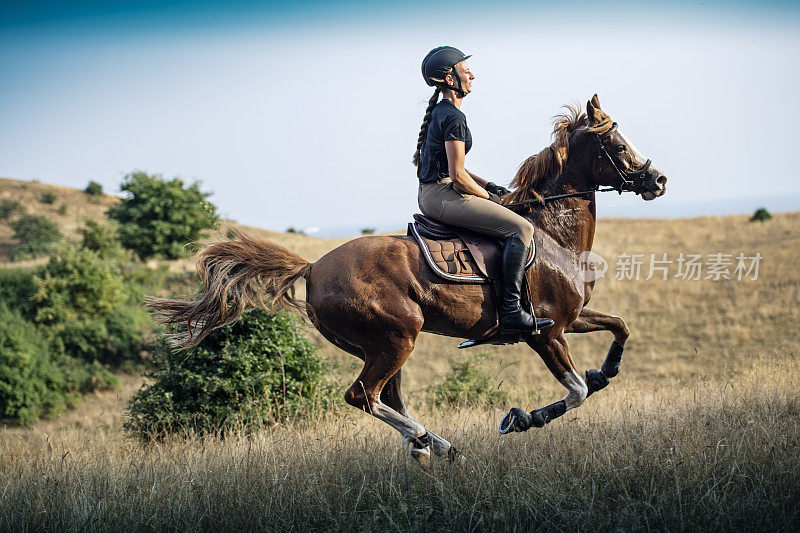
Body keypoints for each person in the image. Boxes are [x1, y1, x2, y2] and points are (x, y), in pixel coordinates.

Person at [413, 46, 553, 334]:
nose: (472, 75)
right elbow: (458, 177)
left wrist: (489, 185)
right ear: (450, 79)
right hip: (441, 195)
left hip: (434, 192)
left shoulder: (443, 112)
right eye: (466, 71)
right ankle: (511, 312)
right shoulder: (453, 117)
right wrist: (491, 199)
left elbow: (456, 167)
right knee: (521, 230)